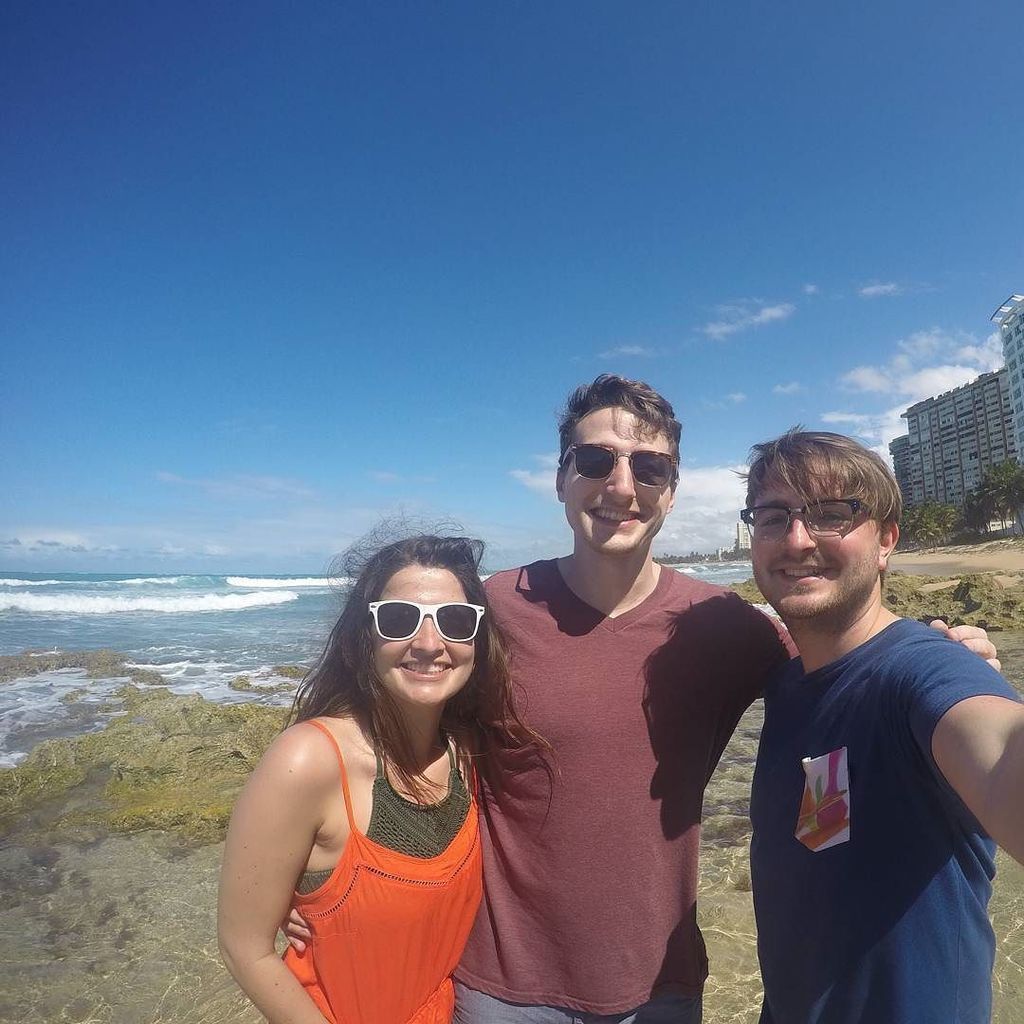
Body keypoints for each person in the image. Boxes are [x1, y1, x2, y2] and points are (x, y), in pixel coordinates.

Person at [286, 377, 996, 1022]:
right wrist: (313, 868)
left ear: (672, 491)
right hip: (501, 988)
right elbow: (382, 727)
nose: (621, 486)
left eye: (649, 467)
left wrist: (939, 648)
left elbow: (848, 667)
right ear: (561, 478)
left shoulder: (727, 627)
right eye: (596, 461)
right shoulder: (490, 610)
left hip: (659, 988)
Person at [742, 429, 1024, 1024]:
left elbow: (999, 748)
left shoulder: (924, 671)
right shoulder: (788, 685)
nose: (797, 540)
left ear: (886, 540)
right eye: (773, 518)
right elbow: (823, 839)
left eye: (830, 515)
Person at [218, 533, 541, 1024]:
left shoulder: (469, 750)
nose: (429, 644)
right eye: (398, 618)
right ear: (363, 637)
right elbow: (245, 948)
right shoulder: (308, 761)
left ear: (477, 640)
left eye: (455, 621)